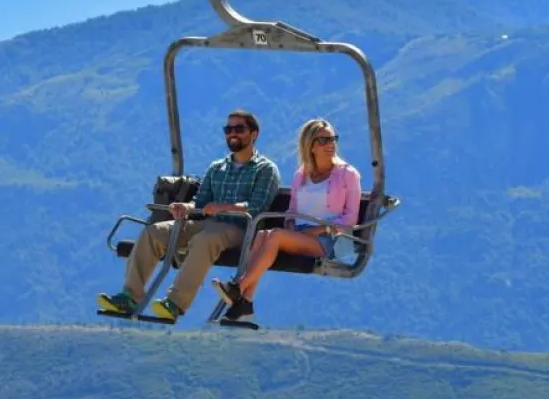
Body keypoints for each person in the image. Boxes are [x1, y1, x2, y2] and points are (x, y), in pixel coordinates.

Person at [97, 109, 281, 321]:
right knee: (154, 232)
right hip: (209, 222)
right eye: (228, 129)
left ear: (254, 134)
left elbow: (256, 207)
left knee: (206, 240)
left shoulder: (265, 169)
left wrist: (222, 207)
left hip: (241, 229)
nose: (233, 134)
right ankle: (130, 296)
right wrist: (185, 206)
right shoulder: (217, 167)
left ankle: (175, 303)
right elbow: (201, 203)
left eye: (239, 129)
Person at [213, 118, 362, 322]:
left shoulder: (347, 174)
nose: (330, 144)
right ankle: (245, 303)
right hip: (300, 234)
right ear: (310, 145)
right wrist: (291, 224)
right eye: (323, 140)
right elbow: (292, 210)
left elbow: (350, 218)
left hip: (330, 239)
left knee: (274, 236)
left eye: (333, 139)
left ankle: (238, 287)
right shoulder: (302, 174)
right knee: (263, 234)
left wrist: (318, 230)